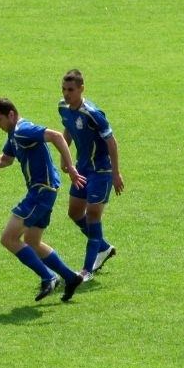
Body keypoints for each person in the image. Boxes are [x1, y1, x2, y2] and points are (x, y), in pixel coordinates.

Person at [0, 97, 86, 302]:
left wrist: (71, 167)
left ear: (11, 114)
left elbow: (56, 136)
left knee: (8, 238)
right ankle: (70, 277)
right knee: (32, 241)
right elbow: (5, 159)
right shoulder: (14, 134)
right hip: (44, 191)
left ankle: (48, 277)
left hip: (40, 191)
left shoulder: (23, 130)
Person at [59, 69, 125, 281]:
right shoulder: (63, 107)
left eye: (71, 89)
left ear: (81, 89)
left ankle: (87, 270)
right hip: (82, 169)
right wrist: (65, 157)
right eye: (64, 89)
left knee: (94, 214)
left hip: (101, 171)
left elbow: (112, 142)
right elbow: (67, 130)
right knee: (75, 213)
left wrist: (116, 174)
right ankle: (103, 247)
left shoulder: (93, 114)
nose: (67, 94)